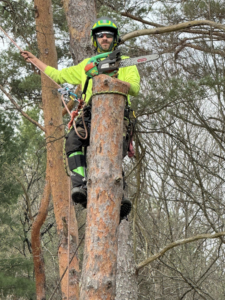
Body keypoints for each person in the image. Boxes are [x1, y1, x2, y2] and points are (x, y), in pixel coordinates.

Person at [21, 16, 140, 219]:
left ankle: (119, 196)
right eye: (100, 35)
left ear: (115, 39)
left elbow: (135, 88)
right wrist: (35, 60)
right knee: (73, 141)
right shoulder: (86, 65)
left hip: (118, 115)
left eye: (108, 35)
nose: (104, 38)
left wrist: (109, 79)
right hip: (90, 114)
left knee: (112, 154)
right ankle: (80, 185)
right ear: (95, 40)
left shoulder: (126, 62)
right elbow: (57, 76)